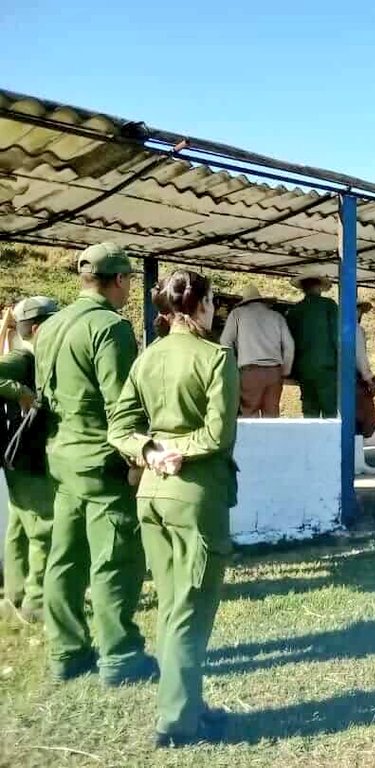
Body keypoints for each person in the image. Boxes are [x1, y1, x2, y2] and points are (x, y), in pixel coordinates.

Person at [108, 270, 239, 747]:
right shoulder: (216, 357)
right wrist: (177, 451)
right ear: (201, 305)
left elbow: (119, 427)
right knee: (191, 610)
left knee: (171, 605)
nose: (215, 310)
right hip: (195, 497)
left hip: (151, 495)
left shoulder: (147, 358)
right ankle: (177, 721)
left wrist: (150, 450)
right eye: (213, 302)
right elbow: (218, 435)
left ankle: (188, 704)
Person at [34, 242, 155, 684]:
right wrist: (137, 457)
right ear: (119, 279)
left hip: (62, 457)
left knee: (64, 559)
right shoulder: (111, 327)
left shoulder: (51, 325)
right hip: (102, 462)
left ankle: (66, 652)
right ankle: (120, 656)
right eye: (129, 281)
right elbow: (120, 405)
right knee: (115, 559)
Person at [1, 296, 59, 623]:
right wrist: (20, 392)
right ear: (37, 328)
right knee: (43, 527)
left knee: (20, 526)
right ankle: (36, 603)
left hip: (18, 456)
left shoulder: (35, 358)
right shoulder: (23, 357)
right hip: (26, 455)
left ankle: (16, 594)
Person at [220, 285, 294, 418]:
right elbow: (289, 346)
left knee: (249, 415)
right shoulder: (277, 316)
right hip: (274, 372)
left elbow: (225, 342)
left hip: (249, 372)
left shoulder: (237, 314)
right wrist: (285, 371)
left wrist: (232, 367)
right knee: (271, 417)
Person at [285, 268, 338, 418]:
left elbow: (289, 342)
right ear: (319, 286)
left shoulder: (295, 310)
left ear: (303, 288)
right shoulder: (329, 305)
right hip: (327, 368)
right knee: (330, 412)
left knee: (310, 412)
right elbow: (338, 337)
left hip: (304, 369)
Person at [355, 296, 375, 476]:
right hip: (356, 379)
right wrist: (368, 378)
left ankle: (356, 461)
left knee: (354, 421)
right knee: (364, 420)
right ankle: (358, 462)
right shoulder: (356, 330)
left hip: (341, 377)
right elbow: (360, 357)